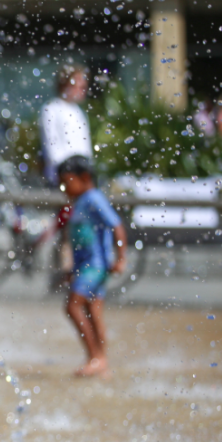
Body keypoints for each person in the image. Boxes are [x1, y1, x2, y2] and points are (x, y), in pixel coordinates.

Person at [58, 155, 127, 378]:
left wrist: (121, 257)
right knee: (93, 311)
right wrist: (72, 269)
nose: (64, 187)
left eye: (67, 181)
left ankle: (95, 358)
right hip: (85, 266)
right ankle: (101, 362)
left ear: (85, 178)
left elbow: (116, 225)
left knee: (73, 307)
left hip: (95, 266)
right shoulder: (80, 202)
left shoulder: (94, 199)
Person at [39, 63, 92, 187]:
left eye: (84, 87)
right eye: (78, 86)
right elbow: (51, 147)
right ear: (64, 85)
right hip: (61, 178)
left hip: (81, 176)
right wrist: (67, 172)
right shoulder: (51, 109)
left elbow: (85, 147)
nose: (82, 90)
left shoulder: (79, 112)